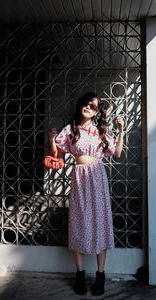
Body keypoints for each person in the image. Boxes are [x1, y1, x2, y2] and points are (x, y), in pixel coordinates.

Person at [48, 92, 124, 296]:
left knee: (100, 221)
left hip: (97, 176)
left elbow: (116, 154)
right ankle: (79, 275)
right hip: (80, 177)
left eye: (94, 106)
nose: (89, 107)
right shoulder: (71, 129)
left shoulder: (101, 130)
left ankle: (101, 275)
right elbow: (57, 154)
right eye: (86, 103)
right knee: (78, 221)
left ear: (97, 111)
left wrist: (120, 131)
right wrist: (51, 140)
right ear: (81, 105)